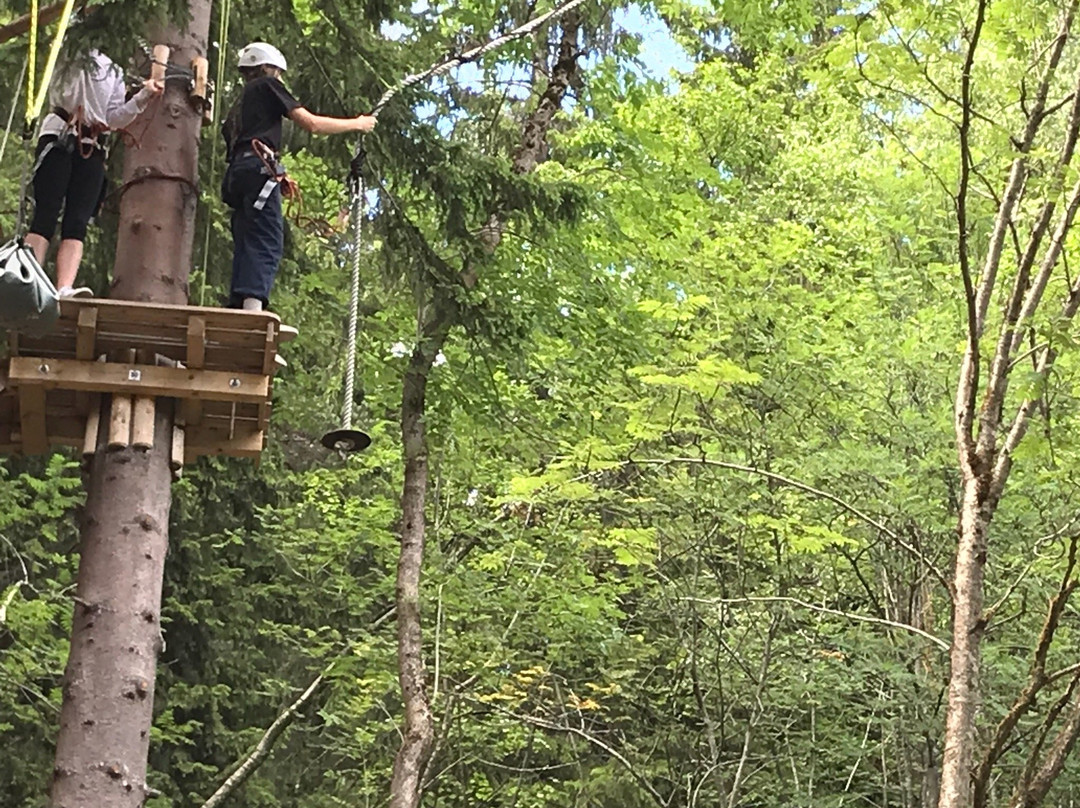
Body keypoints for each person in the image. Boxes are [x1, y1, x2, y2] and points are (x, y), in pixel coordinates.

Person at [221, 42, 376, 311]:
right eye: (278, 73)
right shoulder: (267, 86)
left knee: (247, 237)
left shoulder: (238, 105)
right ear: (268, 68)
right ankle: (252, 309)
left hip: (238, 174)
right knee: (266, 240)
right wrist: (357, 124)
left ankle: (240, 305)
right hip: (258, 167)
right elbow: (311, 123)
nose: (280, 79)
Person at [24, 49, 163, 298]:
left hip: (93, 145)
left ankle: (64, 287)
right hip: (61, 134)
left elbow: (114, 118)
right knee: (46, 211)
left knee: (78, 221)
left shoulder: (115, 70)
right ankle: (28, 278)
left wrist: (143, 96)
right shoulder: (71, 45)